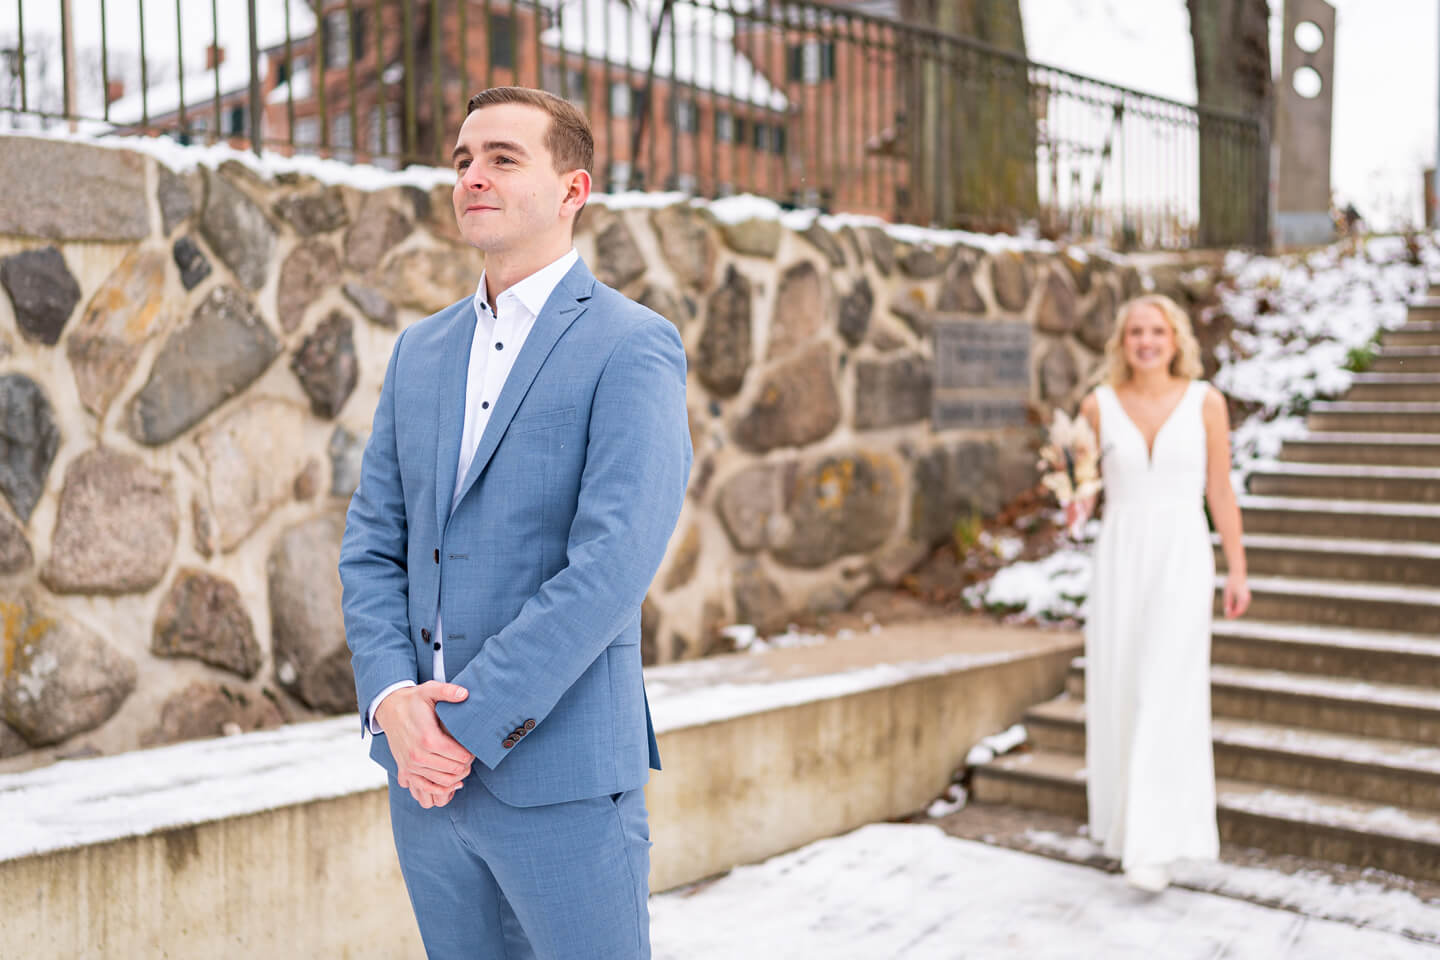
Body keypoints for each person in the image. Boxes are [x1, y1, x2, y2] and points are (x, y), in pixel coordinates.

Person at [339, 86, 692, 959]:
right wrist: (394, 707)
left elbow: (611, 567)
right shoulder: (419, 352)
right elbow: (372, 544)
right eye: (463, 160)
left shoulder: (631, 343)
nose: (473, 176)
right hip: (423, 783)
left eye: (503, 157)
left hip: (560, 780)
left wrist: (462, 723)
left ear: (573, 189)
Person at [1070, 293, 1250, 894]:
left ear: (1176, 340)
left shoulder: (1206, 403)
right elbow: (1086, 493)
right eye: (1135, 332)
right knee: (1123, 685)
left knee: (1163, 687)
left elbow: (1220, 493)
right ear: (1122, 343)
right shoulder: (1096, 407)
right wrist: (1071, 501)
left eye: (1157, 331)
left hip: (1181, 554)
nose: (1146, 342)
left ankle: (1153, 844)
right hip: (1120, 555)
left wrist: (1238, 569)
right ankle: (1128, 830)